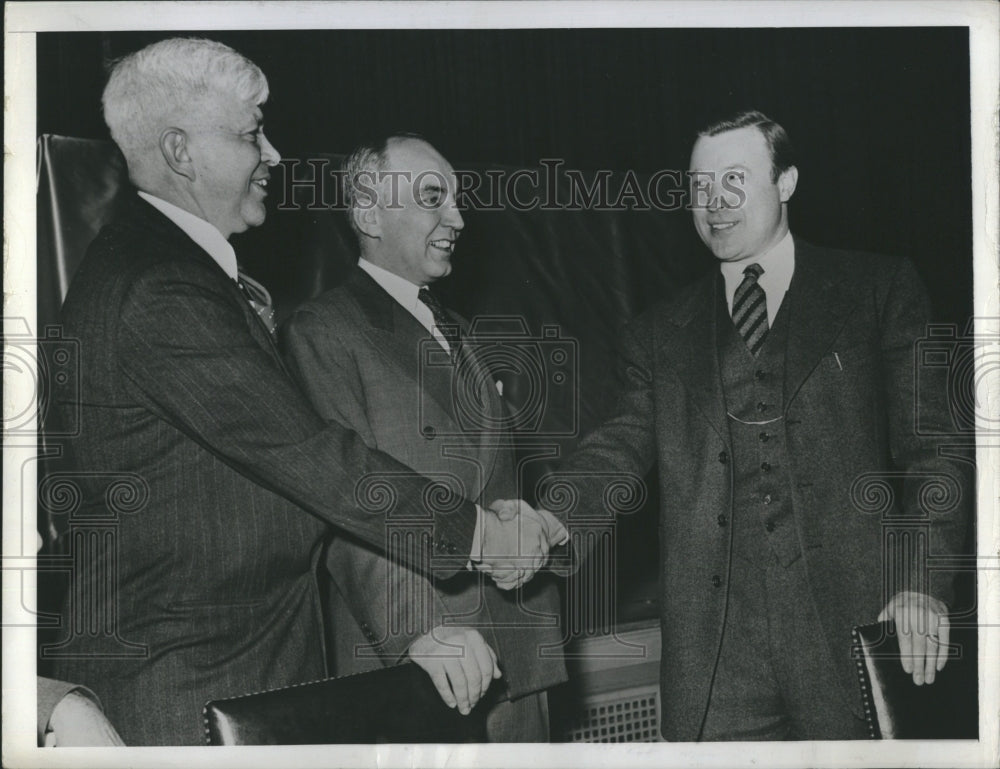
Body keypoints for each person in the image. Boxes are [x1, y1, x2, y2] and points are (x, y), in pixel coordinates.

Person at [48, 37, 550, 745]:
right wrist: (479, 535)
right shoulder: (159, 288)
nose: (274, 154)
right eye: (253, 132)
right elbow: (314, 457)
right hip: (190, 688)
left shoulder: (163, 268)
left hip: (242, 666)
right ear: (182, 151)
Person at [539, 110, 970, 740]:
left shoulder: (878, 289)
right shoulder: (659, 331)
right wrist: (548, 520)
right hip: (716, 661)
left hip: (855, 631)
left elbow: (936, 448)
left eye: (734, 180)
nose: (714, 203)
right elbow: (618, 448)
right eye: (699, 186)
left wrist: (921, 584)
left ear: (787, 182)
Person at [281, 136, 568, 740]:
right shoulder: (322, 331)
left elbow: (488, 479)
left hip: (514, 651)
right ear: (367, 212)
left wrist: (529, 526)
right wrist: (416, 632)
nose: (458, 219)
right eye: (435, 197)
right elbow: (339, 500)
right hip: (424, 658)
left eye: (457, 200)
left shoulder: (459, 330)